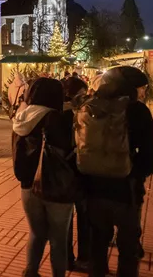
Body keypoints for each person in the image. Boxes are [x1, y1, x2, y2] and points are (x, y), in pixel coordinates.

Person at [83, 67, 153, 277]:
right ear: (131, 87)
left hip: (94, 186)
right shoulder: (137, 110)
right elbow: (149, 156)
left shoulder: (91, 106)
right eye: (142, 88)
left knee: (97, 241)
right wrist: (137, 173)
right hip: (126, 189)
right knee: (128, 246)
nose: (143, 92)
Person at [12, 77, 74, 277]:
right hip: (56, 186)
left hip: (27, 185)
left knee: (37, 233)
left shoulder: (20, 118)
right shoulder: (58, 118)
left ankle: (30, 272)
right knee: (58, 238)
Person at [62, 77, 90, 272]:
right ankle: (83, 257)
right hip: (78, 170)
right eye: (82, 94)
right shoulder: (77, 113)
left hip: (64, 172)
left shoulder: (55, 112)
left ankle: (68, 258)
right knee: (83, 216)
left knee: (68, 218)